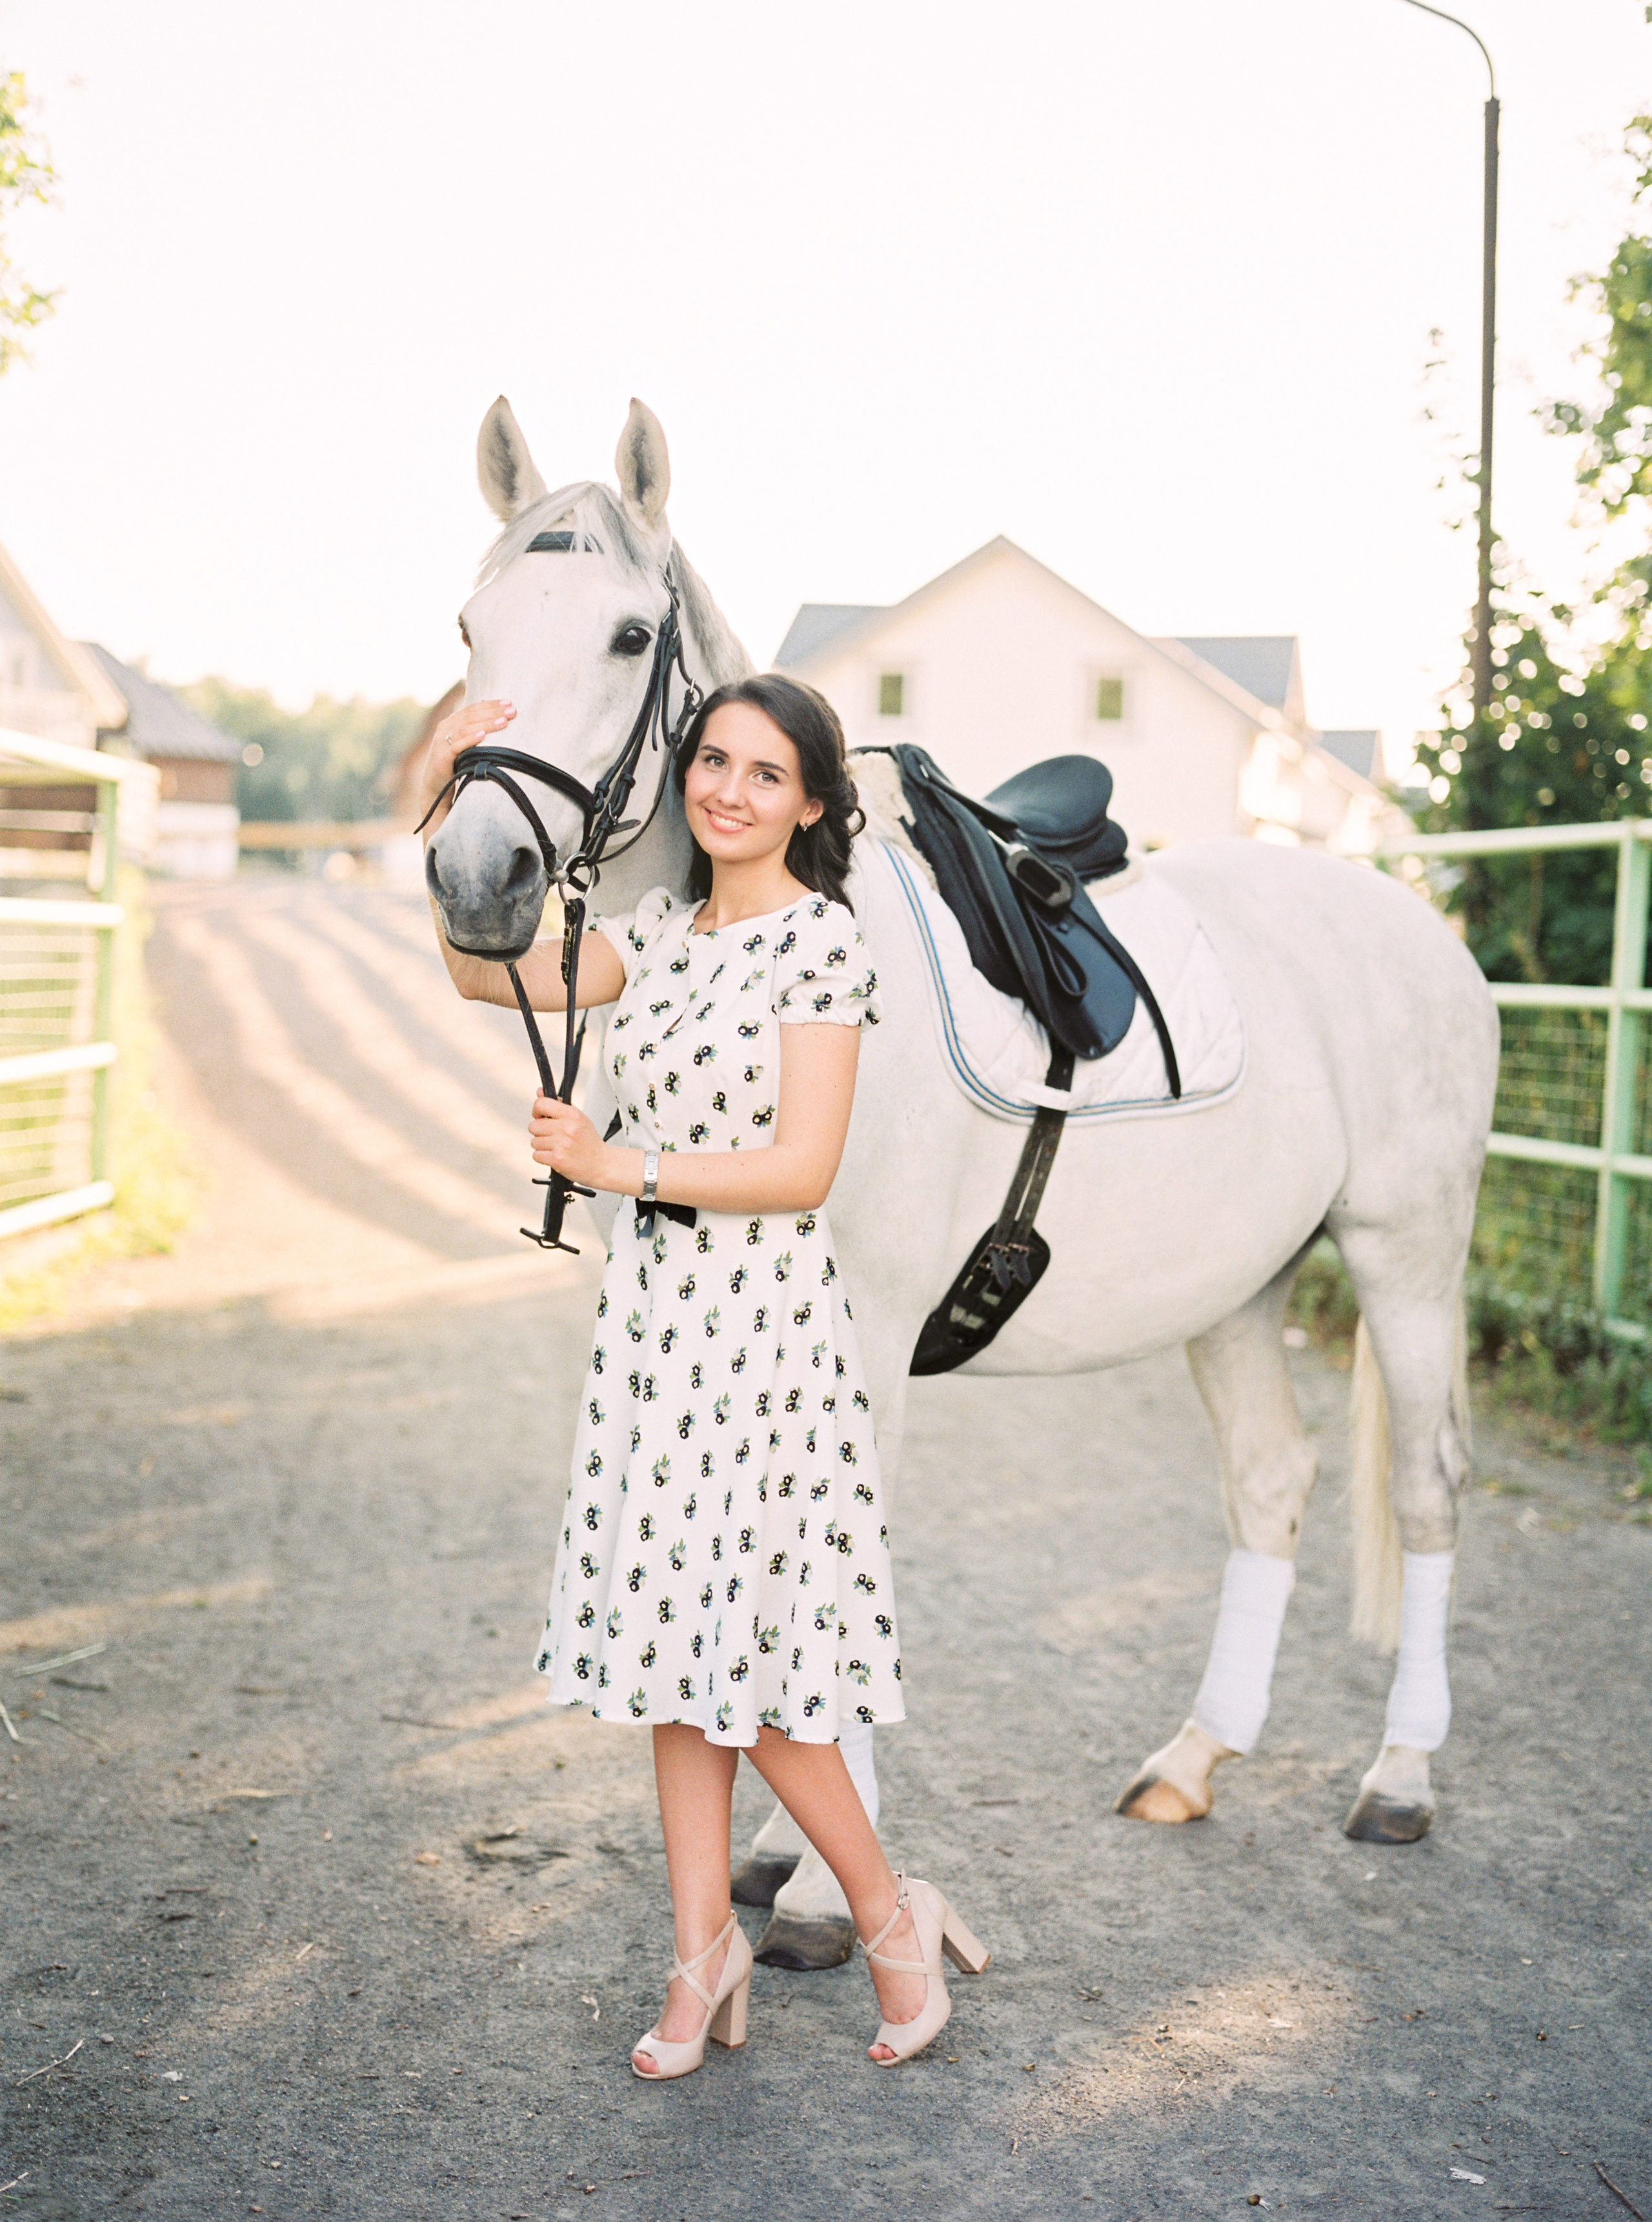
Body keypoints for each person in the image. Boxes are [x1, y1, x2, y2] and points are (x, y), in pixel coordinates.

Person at [421, 671, 986, 2078]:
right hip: (657, 1324)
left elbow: (803, 1168)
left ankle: (888, 1915)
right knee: (676, 1664)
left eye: (764, 773)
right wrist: (436, 792)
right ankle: (700, 1962)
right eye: (711, 761)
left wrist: (617, 1166)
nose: (727, 790)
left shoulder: (822, 948)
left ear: (807, 803)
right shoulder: (656, 935)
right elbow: (477, 969)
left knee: (764, 1675)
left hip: (763, 1325)